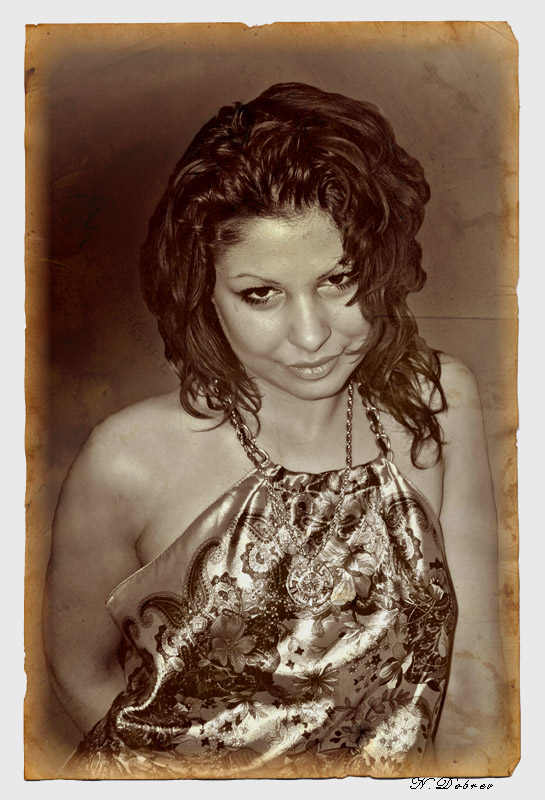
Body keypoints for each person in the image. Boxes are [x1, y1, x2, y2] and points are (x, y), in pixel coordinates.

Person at [43, 82, 502, 779]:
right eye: (261, 294)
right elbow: (79, 673)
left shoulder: (439, 401)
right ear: (204, 291)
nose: (311, 336)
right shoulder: (127, 460)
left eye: (338, 280)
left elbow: (471, 678)